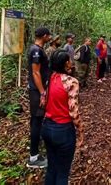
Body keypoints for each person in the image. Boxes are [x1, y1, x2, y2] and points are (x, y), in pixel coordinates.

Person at [42, 49, 83, 184]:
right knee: (63, 173)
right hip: (63, 131)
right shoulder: (72, 82)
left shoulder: (49, 78)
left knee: (51, 168)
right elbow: (73, 112)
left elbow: (43, 102)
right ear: (66, 63)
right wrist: (81, 131)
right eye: (70, 60)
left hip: (47, 128)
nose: (72, 62)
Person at [26, 27, 52, 168]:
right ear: (44, 36)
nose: (50, 38)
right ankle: (34, 158)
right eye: (48, 35)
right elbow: (36, 73)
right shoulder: (36, 50)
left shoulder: (38, 49)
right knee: (36, 121)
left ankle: (35, 152)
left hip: (38, 90)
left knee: (37, 121)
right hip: (37, 91)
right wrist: (42, 92)